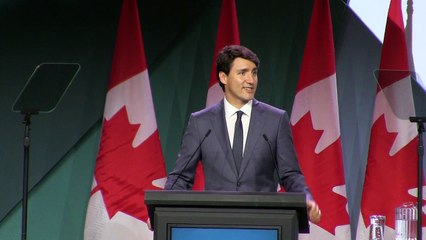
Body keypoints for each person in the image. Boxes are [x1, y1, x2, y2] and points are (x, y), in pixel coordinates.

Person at [164, 45, 321, 223]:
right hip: (216, 224)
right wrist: (161, 210)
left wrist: (305, 199)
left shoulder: (275, 120)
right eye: (242, 73)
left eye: (254, 73)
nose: (251, 80)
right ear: (224, 77)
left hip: (263, 224)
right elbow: (181, 177)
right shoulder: (201, 122)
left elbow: (290, 174)